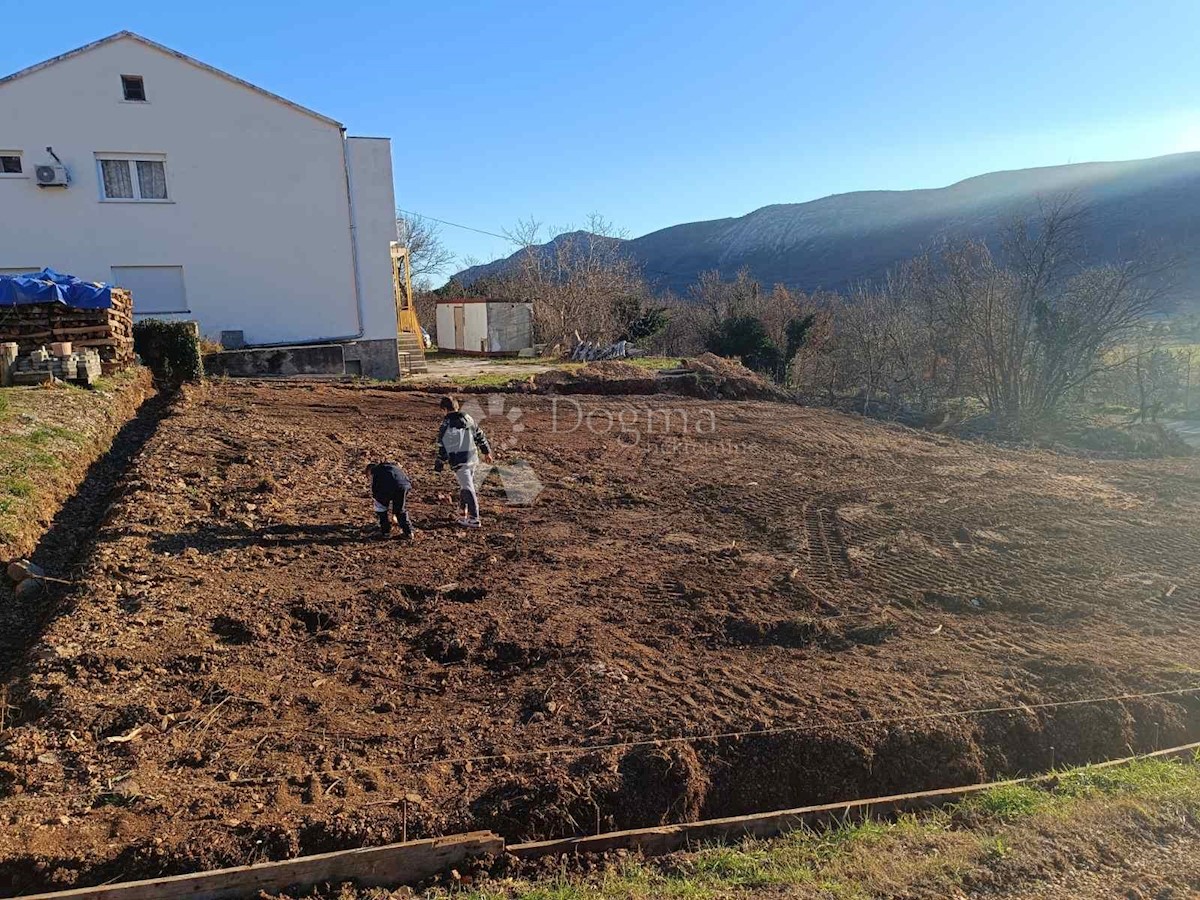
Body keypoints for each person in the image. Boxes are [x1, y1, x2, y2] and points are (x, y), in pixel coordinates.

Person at [434, 396, 492, 528]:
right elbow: (480, 435)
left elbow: (443, 446)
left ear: (444, 410)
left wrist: (439, 463)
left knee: (467, 487)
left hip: (459, 460)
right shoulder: (469, 419)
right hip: (472, 458)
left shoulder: (446, 424)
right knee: (465, 485)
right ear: (457, 407)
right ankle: (462, 513)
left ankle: (474, 518)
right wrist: (486, 452)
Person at [366, 461, 415, 539]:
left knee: (381, 509)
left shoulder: (376, 472)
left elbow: (375, 490)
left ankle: (386, 532)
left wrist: (379, 501)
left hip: (388, 487)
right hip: (404, 486)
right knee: (400, 510)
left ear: (369, 471)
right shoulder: (393, 467)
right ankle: (409, 532)